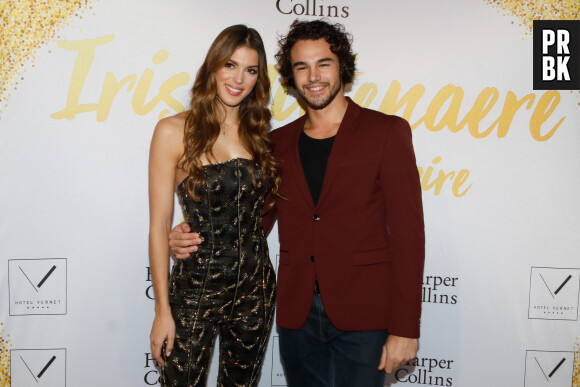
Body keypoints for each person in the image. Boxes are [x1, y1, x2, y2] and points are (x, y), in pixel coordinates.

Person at [169, 19, 425, 387]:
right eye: (302, 67)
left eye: (324, 63)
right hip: (297, 318)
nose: (313, 76)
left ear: (343, 68)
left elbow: (408, 237)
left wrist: (405, 329)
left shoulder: (386, 132)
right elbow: (248, 220)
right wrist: (185, 235)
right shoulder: (277, 143)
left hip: (364, 317)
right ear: (291, 77)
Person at [148, 24, 281, 387]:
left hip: (256, 291)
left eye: (251, 70)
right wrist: (162, 311)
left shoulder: (262, 133)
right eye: (230, 65)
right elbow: (159, 227)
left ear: (259, 78)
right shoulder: (174, 131)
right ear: (213, 67)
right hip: (194, 290)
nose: (239, 78)